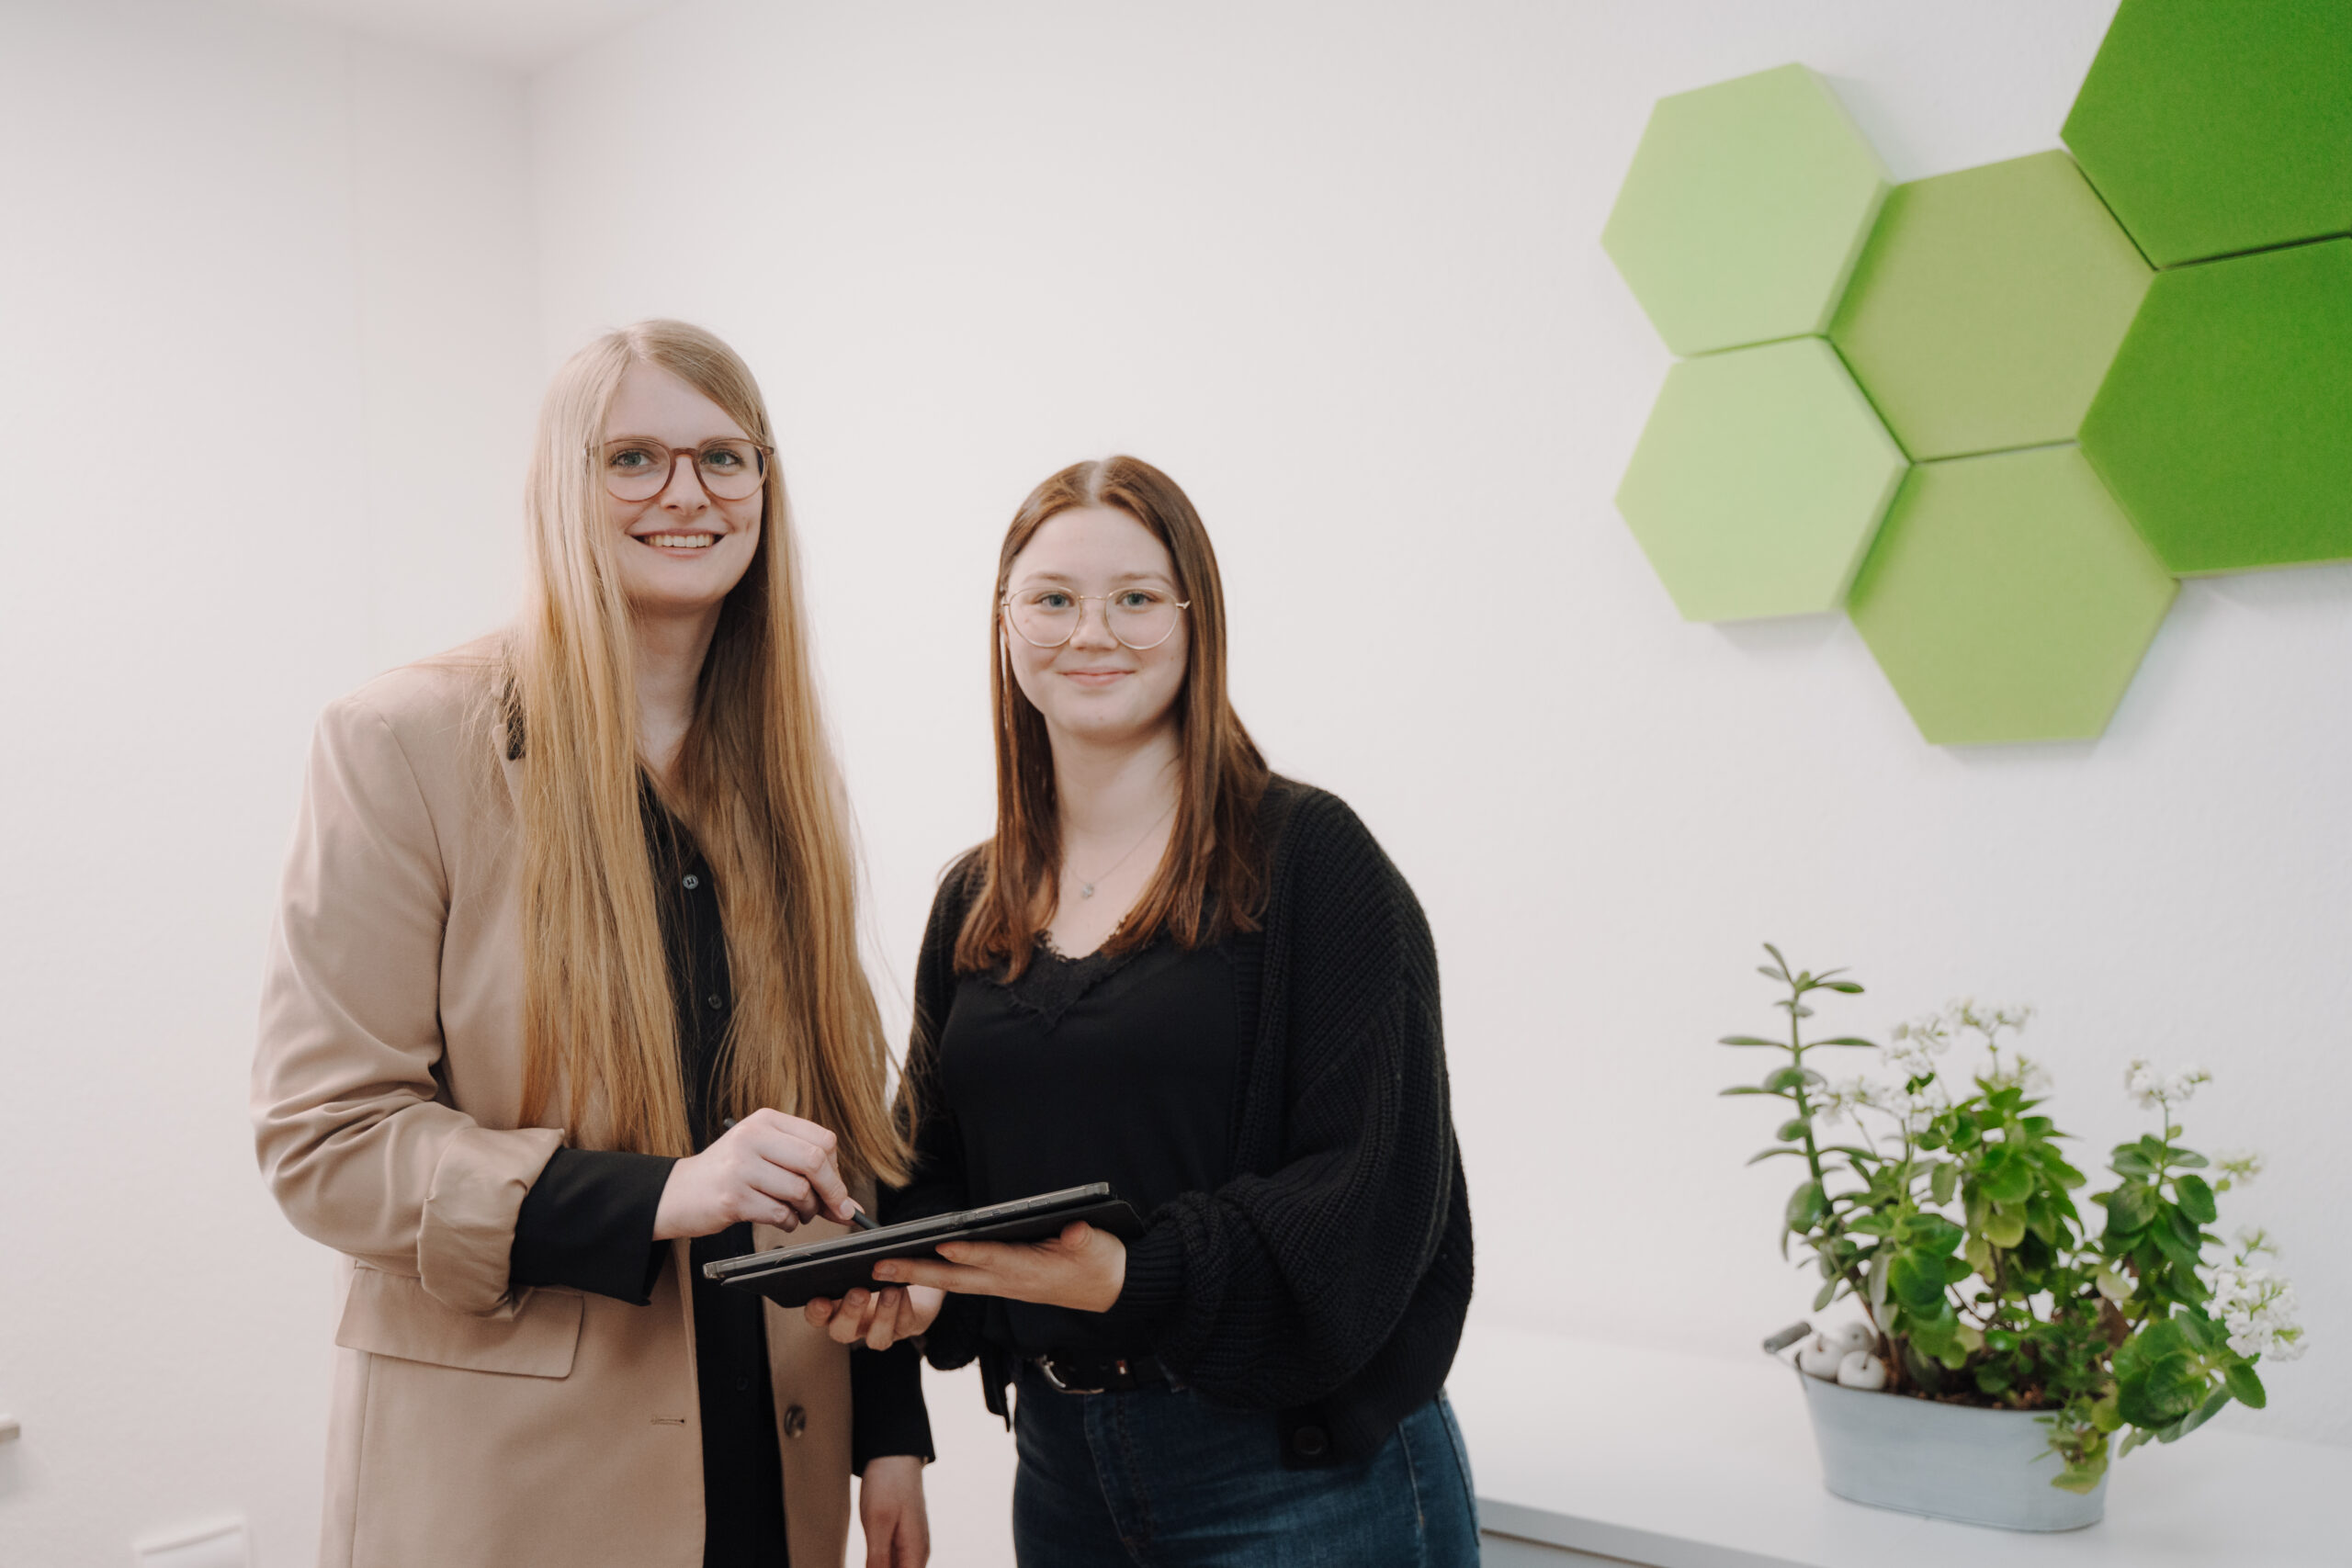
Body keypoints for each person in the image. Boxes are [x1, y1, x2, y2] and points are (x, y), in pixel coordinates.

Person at [253, 321, 931, 1568]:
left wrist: (889, 1424)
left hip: (776, 1473)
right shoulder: (401, 740)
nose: (688, 493)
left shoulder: (780, 773)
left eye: (724, 457)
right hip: (514, 1488)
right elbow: (325, 1139)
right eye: (634, 458)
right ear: (564, 485)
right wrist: (663, 1192)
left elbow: (839, 1121)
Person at [808, 456, 1477, 1565]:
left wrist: (1139, 1276)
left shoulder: (1311, 860)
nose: (1092, 633)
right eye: (1053, 599)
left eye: (1134, 598)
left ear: (1194, 618)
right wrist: (919, 1296)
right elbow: (928, 1167)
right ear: (1005, 622)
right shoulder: (976, 898)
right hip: (1063, 1467)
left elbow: (1375, 1188)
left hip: (1294, 1473)